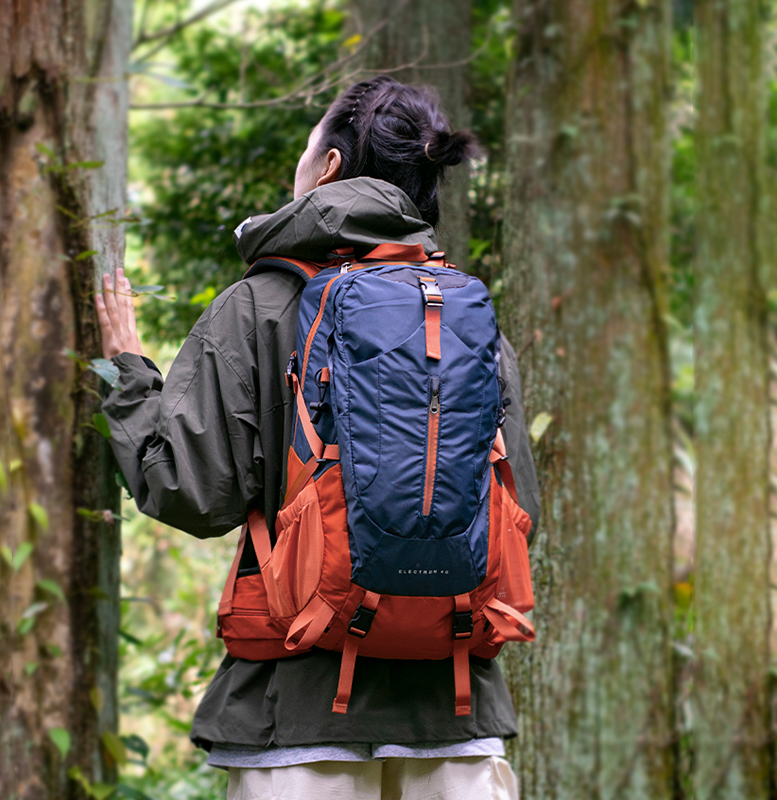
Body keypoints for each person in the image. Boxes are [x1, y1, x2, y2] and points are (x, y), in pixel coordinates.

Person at [96, 75, 540, 800]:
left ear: (327, 168)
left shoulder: (261, 306)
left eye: (306, 149)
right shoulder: (465, 317)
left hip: (295, 723)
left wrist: (128, 375)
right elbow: (517, 515)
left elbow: (189, 490)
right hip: (456, 721)